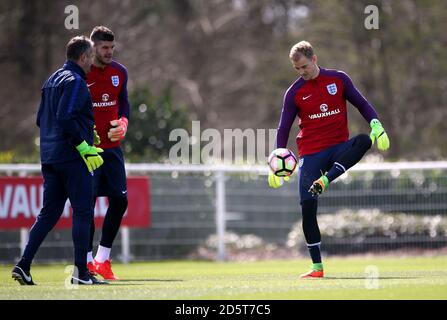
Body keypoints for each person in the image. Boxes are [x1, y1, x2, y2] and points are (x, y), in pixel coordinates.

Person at [268, 41, 390, 278]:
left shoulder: (339, 79)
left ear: (314, 59)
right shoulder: (294, 93)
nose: (301, 72)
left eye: (303, 66)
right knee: (307, 205)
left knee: (364, 140)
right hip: (311, 154)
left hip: (338, 148)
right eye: (296, 69)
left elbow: (362, 104)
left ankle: (326, 180)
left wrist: (376, 122)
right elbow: (283, 127)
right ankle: (317, 267)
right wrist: (276, 157)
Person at [12, 36, 106, 285]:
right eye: (91, 58)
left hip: (50, 157)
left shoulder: (51, 80)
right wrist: (83, 144)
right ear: (84, 57)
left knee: (49, 213)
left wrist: (86, 129)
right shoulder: (76, 81)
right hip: (73, 158)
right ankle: (81, 274)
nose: (92, 63)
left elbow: (42, 120)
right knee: (83, 213)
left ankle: (24, 265)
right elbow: (65, 117)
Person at [86, 26, 130, 280]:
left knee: (121, 200)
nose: (109, 52)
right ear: (93, 48)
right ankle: (87, 261)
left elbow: (124, 104)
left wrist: (123, 123)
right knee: (87, 205)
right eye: (104, 48)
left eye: (112, 47)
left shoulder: (120, 72)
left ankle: (103, 259)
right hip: (89, 152)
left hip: (113, 150)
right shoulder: (81, 73)